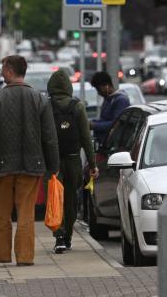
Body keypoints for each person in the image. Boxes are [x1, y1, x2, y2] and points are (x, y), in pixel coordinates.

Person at [0, 55, 59, 266]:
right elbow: (50, 137)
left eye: (2, 68)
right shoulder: (40, 100)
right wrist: (53, 166)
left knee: (1, 211)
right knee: (26, 213)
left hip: (1, 167)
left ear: (9, 71)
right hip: (32, 166)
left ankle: (1, 253)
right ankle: (25, 256)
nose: (0, 72)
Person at [46, 69, 97, 254]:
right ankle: (67, 236)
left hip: (53, 161)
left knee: (55, 197)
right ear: (68, 87)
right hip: (74, 160)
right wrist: (92, 164)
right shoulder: (78, 107)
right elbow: (86, 138)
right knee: (71, 200)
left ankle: (58, 236)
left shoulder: (46, 105)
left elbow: (40, 136)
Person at [89, 71, 130, 145]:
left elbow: (115, 124)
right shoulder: (108, 99)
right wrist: (92, 122)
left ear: (107, 86)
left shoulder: (121, 100)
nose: (99, 93)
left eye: (99, 89)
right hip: (104, 144)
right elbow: (104, 120)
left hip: (113, 146)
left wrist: (94, 125)